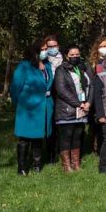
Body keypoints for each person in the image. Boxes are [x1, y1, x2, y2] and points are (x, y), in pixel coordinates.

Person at [10, 38, 54, 175]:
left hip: (43, 108)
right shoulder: (24, 66)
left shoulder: (47, 66)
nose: (45, 52)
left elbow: (48, 84)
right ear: (34, 51)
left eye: (46, 49)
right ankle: (22, 167)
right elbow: (15, 88)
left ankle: (37, 165)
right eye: (42, 49)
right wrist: (19, 104)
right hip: (28, 109)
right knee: (24, 138)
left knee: (38, 137)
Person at [53, 45, 93, 172]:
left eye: (77, 54)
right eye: (72, 55)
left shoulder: (84, 68)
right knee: (67, 137)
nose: (75, 57)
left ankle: (76, 164)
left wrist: (89, 102)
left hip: (82, 109)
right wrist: (78, 103)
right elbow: (61, 90)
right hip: (67, 110)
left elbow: (92, 85)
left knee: (77, 136)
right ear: (66, 56)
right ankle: (67, 166)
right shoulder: (61, 70)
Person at [87, 36, 106, 154]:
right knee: (95, 124)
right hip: (95, 95)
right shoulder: (92, 63)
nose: (104, 49)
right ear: (97, 48)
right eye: (101, 46)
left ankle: (105, 145)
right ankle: (94, 146)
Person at [44, 34, 62, 163]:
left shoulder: (65, 59)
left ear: (58, 46)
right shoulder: (43, 61)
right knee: (50, 125)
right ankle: (51, 154)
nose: (52, 48)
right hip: (49, 96)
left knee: (62, 125)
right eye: (49, 46)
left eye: (54, 46)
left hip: (63, 96)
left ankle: (62, 151)